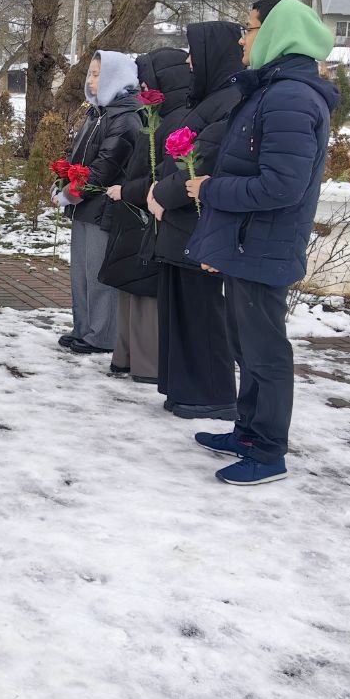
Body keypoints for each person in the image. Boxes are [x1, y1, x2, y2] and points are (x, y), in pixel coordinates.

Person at [186, 0, 337, 485]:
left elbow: (281, 186)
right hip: (249, 243)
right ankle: (247, 431)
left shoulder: (291, 97)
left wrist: (210, 189)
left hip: (264, 247)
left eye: (250, 29)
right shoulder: (271, 90)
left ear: (276, 35)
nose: (242, 39)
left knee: (265, 352)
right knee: (246, 346)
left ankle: (268, 450)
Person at [147, 22, 244, 419]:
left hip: (195, 221)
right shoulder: (209, 99)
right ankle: (186, 389)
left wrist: (160, 194)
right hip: (180, 221)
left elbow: (202, 159)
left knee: (202, 314)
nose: (188, 62)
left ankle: (211, 395)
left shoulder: (229, 101)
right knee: (182, 311)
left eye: (194, 54)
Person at [98, 47, 190, 384]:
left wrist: (128, 191)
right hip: (133, 211)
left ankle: (146, 363)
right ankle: (127, 356)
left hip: (145, 210)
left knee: (144, 292)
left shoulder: (173, 120)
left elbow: (163, 174)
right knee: (130, 288)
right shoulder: (156, 117)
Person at [56, 51, 141, 355]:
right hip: (85, 204)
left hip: (104, 206)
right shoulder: (99, 113)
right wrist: (64, 175)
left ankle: (102, 335)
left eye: (97, 75)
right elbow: (77, 155)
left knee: (98, 274)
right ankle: (84, 328)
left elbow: (104, 168)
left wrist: (71, 191)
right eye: (90, 74)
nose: (90, 81)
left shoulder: (124, 117)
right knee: (81, 271)